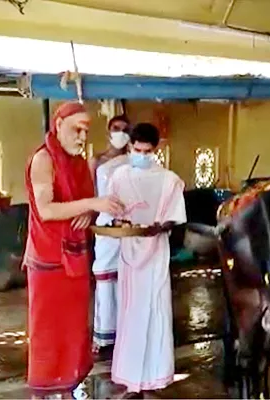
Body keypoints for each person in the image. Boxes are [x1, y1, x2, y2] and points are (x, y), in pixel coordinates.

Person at [24, 101, 124, 398]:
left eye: (85, 131)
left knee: (74, 330)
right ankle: (42, 390)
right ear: (57, 126)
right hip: (48, 259)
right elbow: (46, 210)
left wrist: (89, 211)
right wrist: (92, 205)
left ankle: (68, 388)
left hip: (77, 254)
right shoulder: (44, 159)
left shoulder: (80, 163)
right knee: (47, 332)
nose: (82, 137)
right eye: (76, 130)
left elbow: (83, 206)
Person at [108, 123, 187, 396]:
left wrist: (157, 227)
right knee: (130, 313)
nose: (141, 154)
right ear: (129, 146)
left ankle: (154, 378)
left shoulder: (169, 180)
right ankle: (131, 380)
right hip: (129, 254)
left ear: (156, 149)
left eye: (147, 150)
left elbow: (174, 219)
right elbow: (110, 213)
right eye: (136, 149)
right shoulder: (119, 177)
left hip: (155, 255)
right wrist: (120, 221)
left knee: (155, 313)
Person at [89, 115, 131, 355]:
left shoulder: (134, 161)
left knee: (126, 278)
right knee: (104, 275)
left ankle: (125, 332)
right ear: (108, 131)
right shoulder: (97, 161)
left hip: (129, 224)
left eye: (125, 130)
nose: (120, 133)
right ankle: (104, 334)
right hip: (105, 224)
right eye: (116, 129)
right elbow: (92, 194)